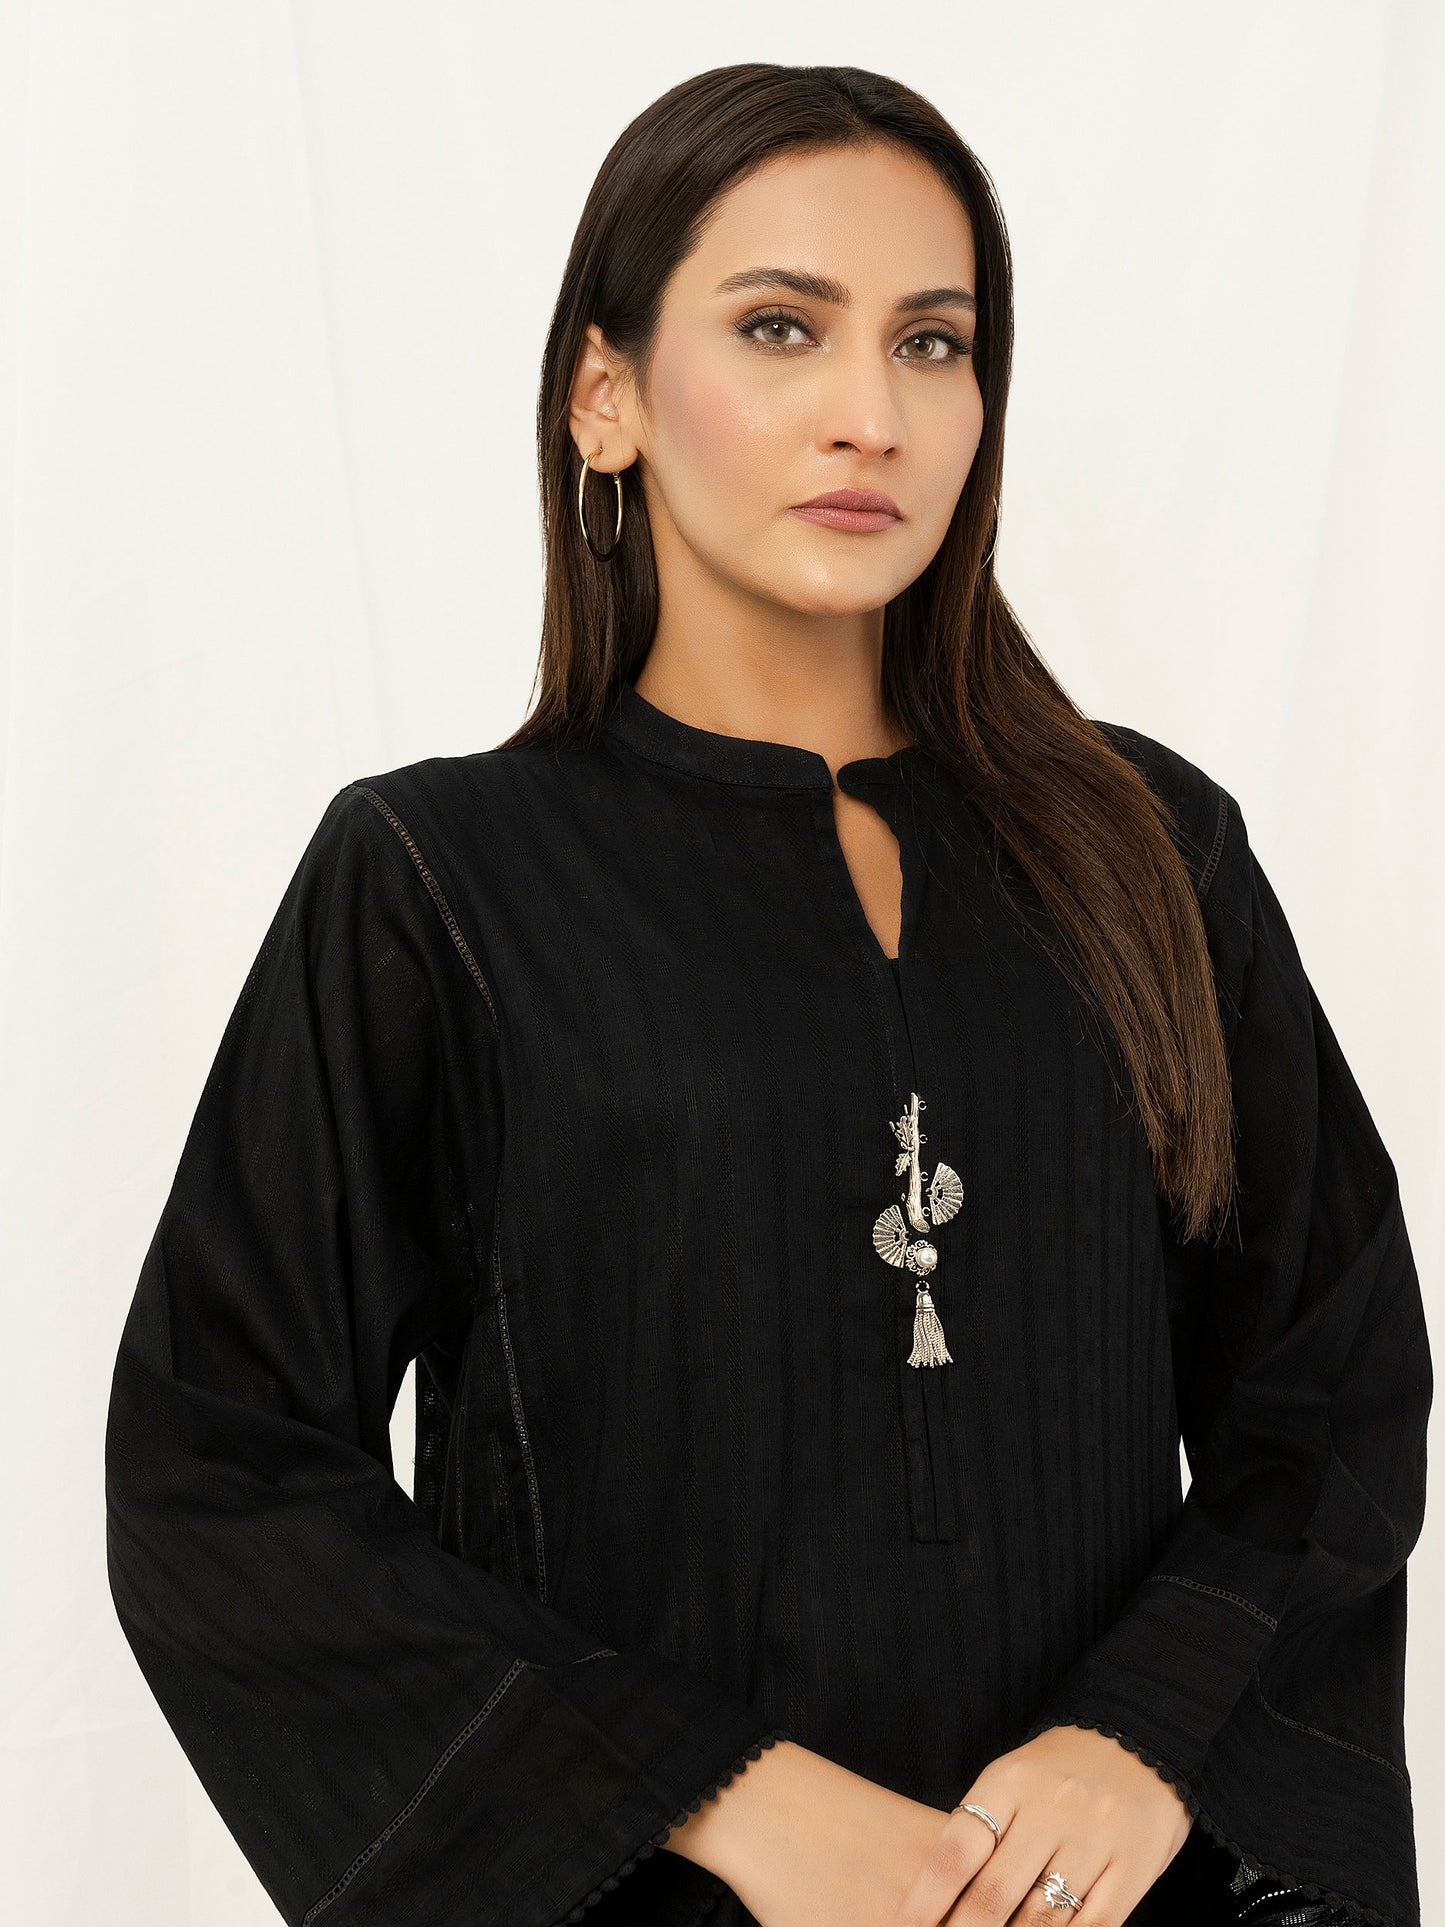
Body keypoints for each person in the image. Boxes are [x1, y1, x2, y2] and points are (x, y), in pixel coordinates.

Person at [104, 63, 1430, 1927]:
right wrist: (711, 1790)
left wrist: (1137, 1734)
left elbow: (1329, 1371)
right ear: (605, 395)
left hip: (1111, 1897)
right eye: (781, 328)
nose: (869, 413)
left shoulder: (1152, 851)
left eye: (932, 342)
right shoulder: (436, 881)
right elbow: (221, 1462)